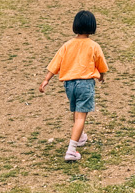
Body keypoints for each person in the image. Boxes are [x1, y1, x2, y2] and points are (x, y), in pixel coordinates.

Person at [39, 10, 109, 162]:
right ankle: (71, 150)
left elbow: (55, 63)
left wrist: (46, 79)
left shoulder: (67, 45)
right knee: (81, 116)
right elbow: (101, 65)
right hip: (85, 84)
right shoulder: (93, 46)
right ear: (92, 27)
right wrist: (102, 77)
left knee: (77, 112)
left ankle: (81, 137)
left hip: (69, 85)